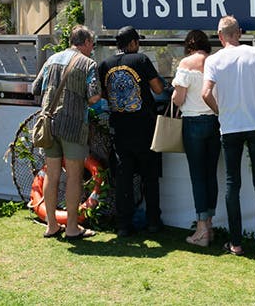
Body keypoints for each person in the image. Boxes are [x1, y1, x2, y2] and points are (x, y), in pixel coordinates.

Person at [201, 15, 255, 258]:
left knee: (232, 184)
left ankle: (235, 243)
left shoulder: (213, 60)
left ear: (220, 36)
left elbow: (205, 93)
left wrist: (220, 111)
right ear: (240, 33)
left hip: (231, 126)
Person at [31, 25, 101, 239]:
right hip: (73, 126)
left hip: (49, 125)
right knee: (73, 177)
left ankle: (51, 225)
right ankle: (71, 228)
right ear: (87, 43)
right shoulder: (88, 64)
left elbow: (35, 88)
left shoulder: (51, 60)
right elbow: (94, 96)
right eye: (92, 44)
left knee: (51, 175)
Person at [99, 26, 165, 237]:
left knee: (123, 180)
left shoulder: (105, 64)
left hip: (119, 128)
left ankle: (123, 225)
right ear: (134, 43)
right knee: (150, 178)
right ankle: (153, 222)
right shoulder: (141, 59)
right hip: (145, 128)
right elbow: (158, 89)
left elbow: (101, 94)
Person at [170, 29, 218, 246]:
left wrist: (173, 94)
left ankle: (201, 230)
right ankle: (209, 224)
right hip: (215, 122)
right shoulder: (215, 61)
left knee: (198, 176)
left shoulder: (186, 64)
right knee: (211, 174)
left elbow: (178, 100)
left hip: (193, 122)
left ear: (189, 45)